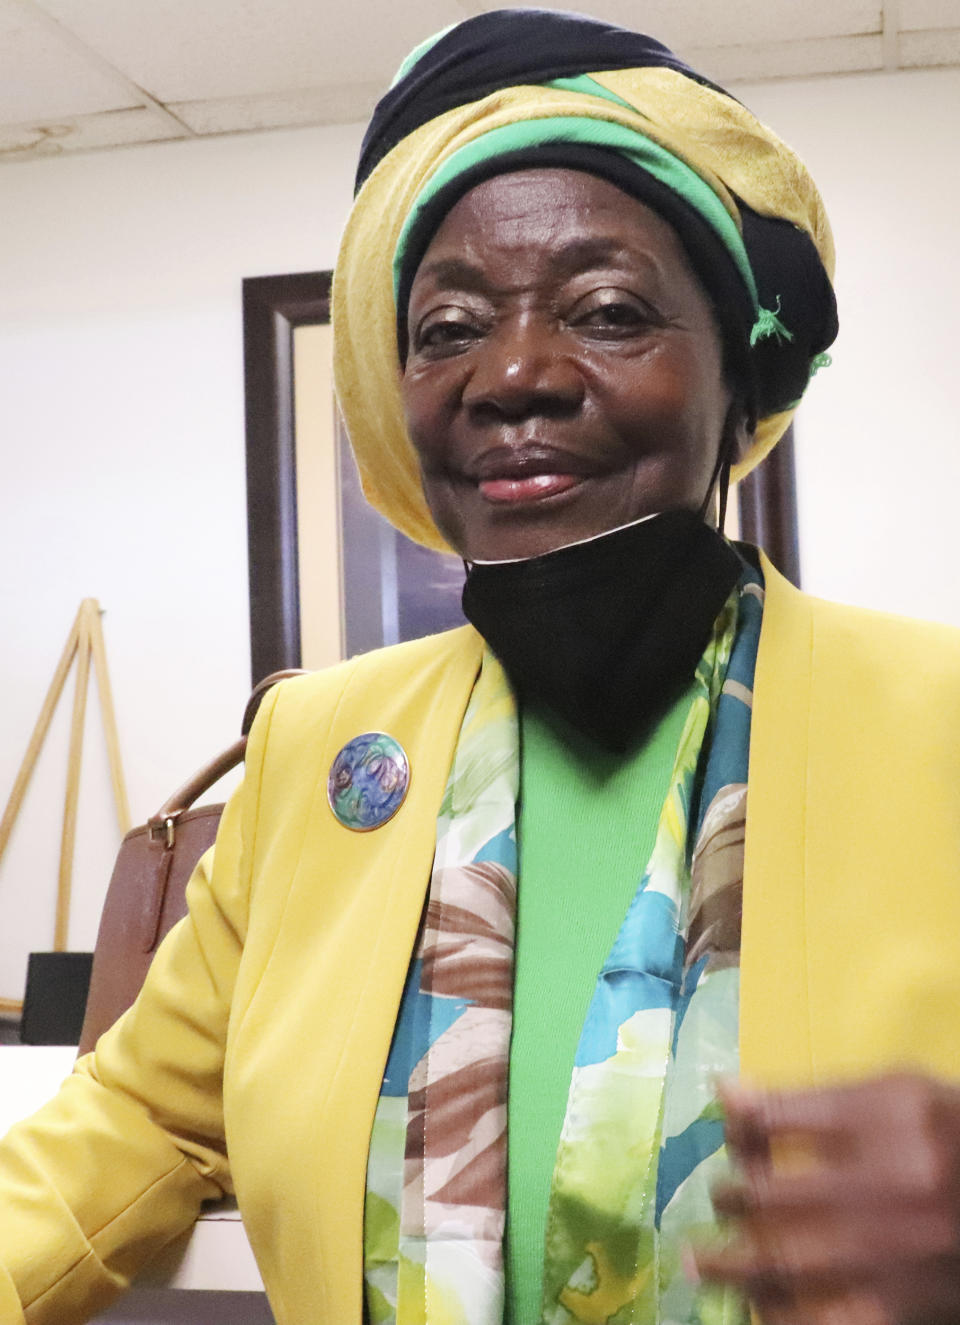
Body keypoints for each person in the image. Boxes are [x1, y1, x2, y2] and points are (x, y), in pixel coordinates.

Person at [3, 10, 960, 1325]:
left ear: (744, 376)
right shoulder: (317, 750)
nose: (514, 372)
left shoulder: (938, 725)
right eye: (449, 325)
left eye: (608, 309)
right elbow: (142, 1116)